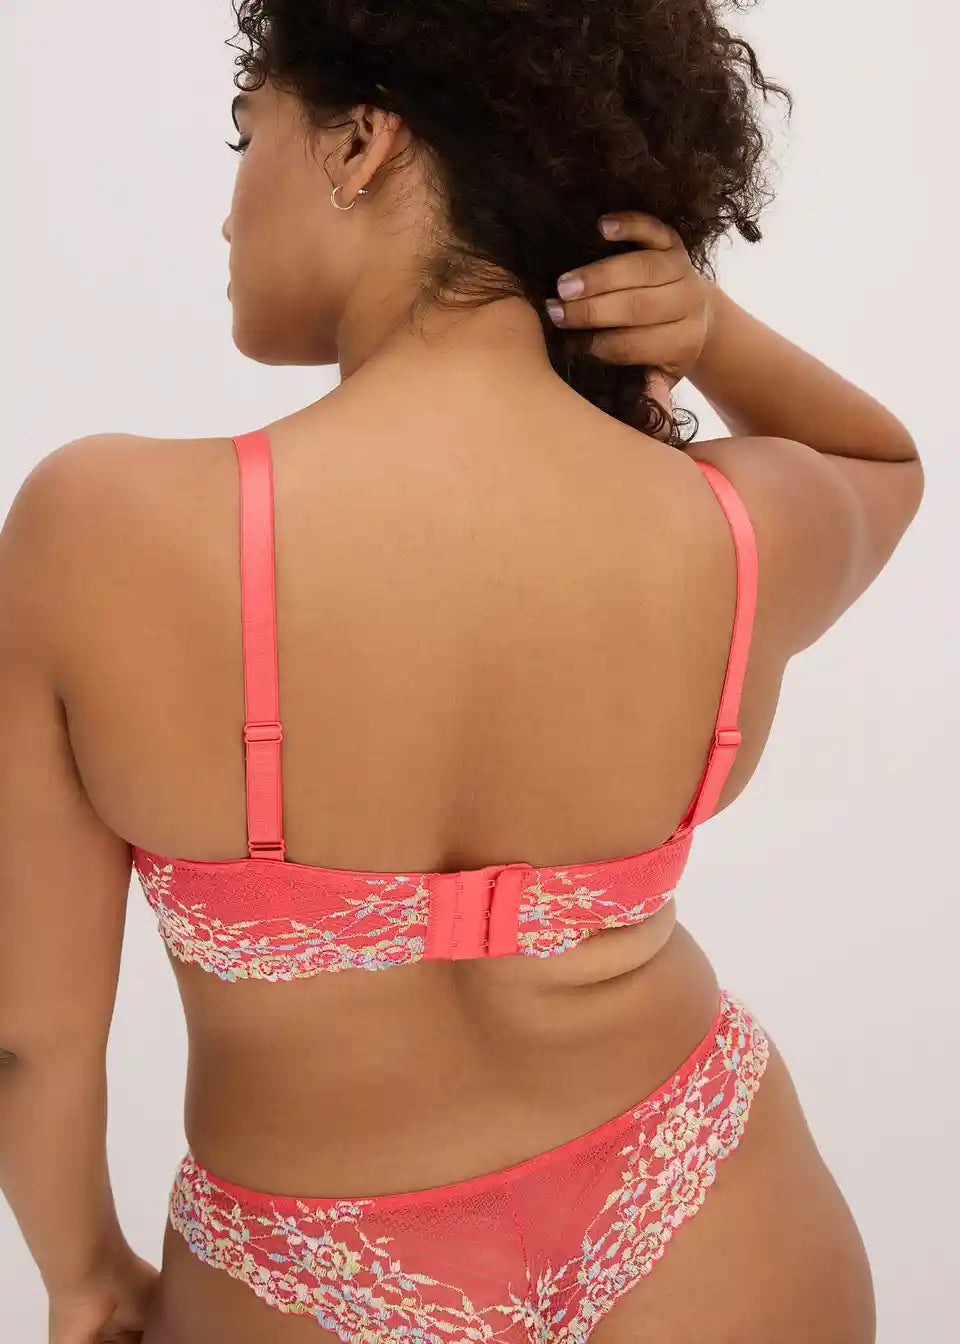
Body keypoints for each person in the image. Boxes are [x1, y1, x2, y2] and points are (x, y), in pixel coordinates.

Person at [0, 4, 923, 1343]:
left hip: (304, 1271)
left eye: (247, 137)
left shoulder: (101, 529)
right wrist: (711, 333)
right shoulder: (727, 527)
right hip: (705, 1200)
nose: (224, 213)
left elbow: (27, 1035)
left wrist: (84, 1272)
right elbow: (884, 467)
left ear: (360, 143)